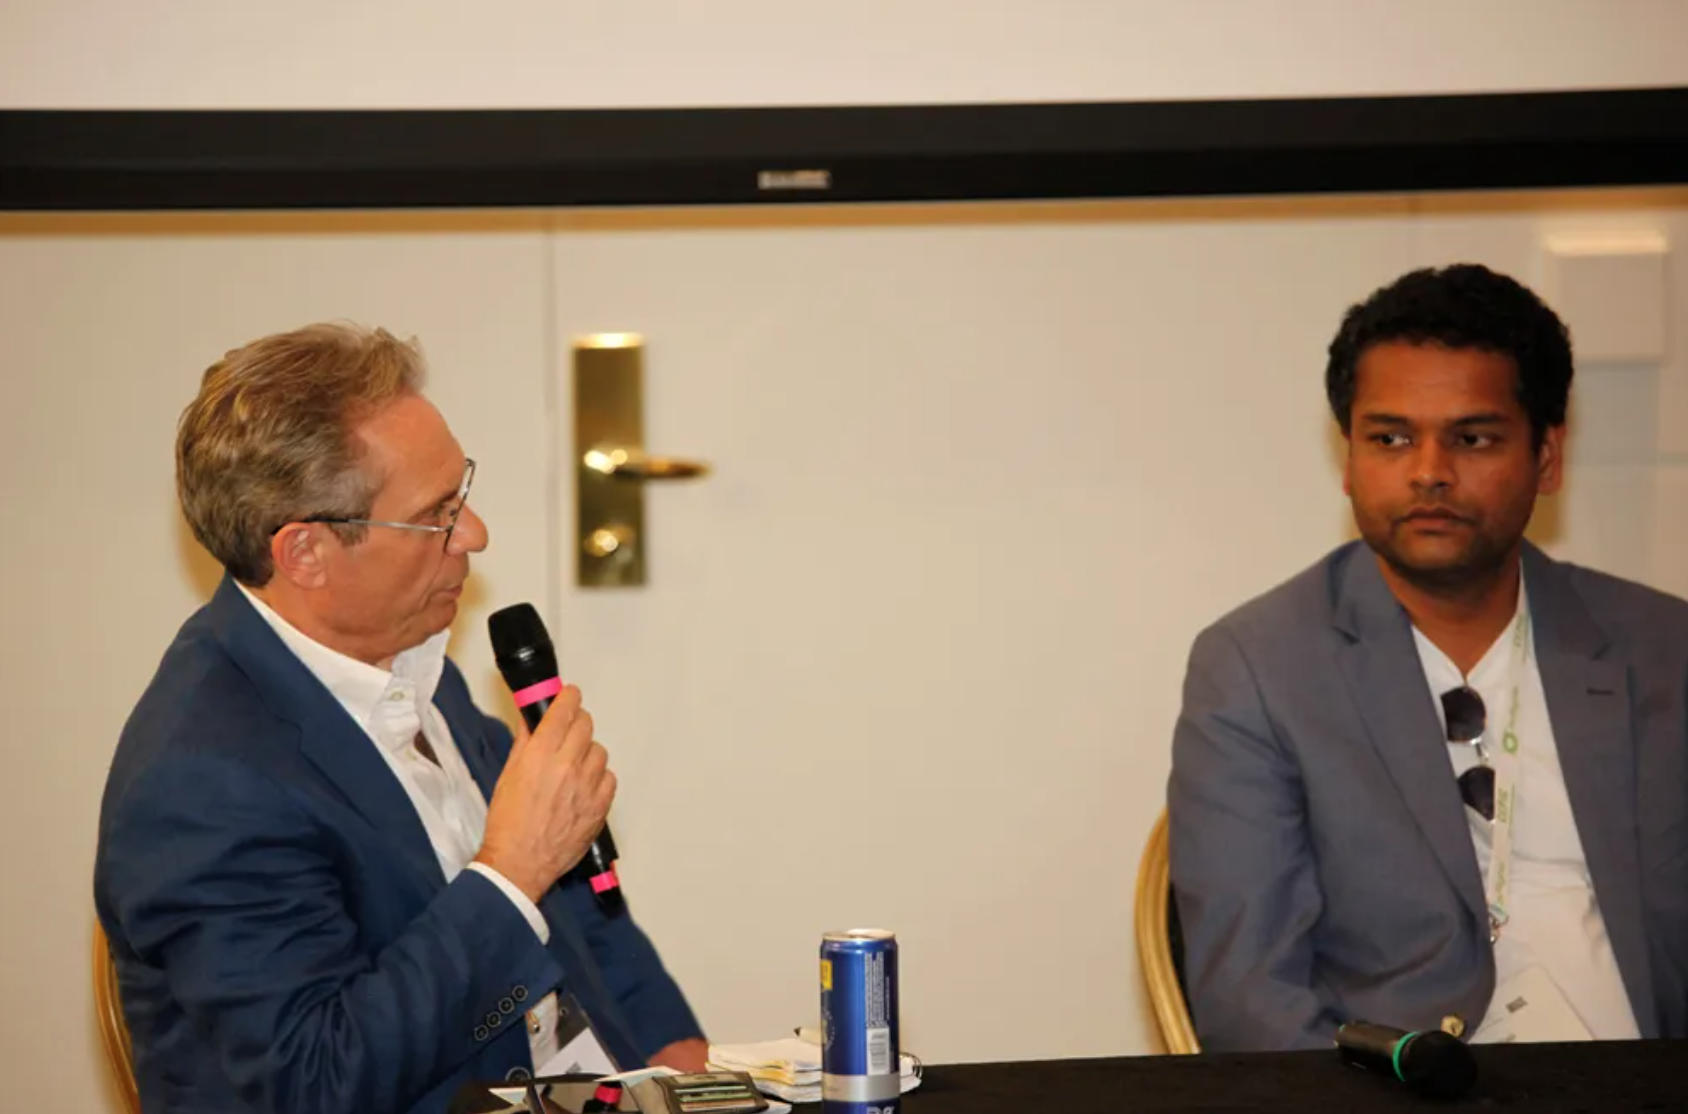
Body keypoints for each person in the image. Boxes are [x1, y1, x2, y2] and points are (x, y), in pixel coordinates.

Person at [94, 323, 707, 1114]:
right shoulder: (202, 785)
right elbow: (317, 1082)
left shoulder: (409, 659)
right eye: (437, 514)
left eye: (463, 492)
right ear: (305, 553)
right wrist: (509, 872)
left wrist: (675, 1060)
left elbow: (580, 906)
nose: (475, 534)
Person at [1167, 263, 1688, 1051]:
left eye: (1472, 439)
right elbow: (1251, 1002)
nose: (1429, 472)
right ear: (1349, 460)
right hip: (1403, 1086)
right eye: (1391, 439)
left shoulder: (1661, 648)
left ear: (1547, 457)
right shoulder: (1258, 670)